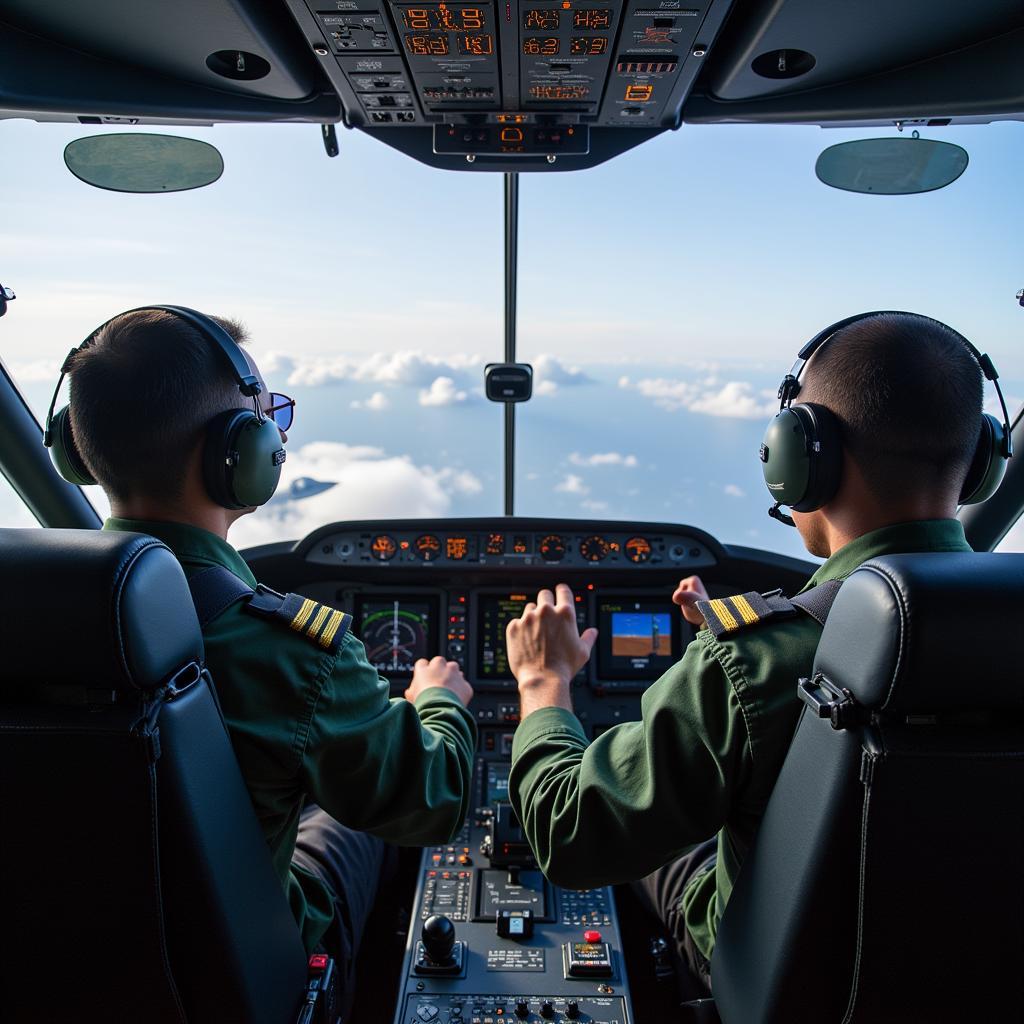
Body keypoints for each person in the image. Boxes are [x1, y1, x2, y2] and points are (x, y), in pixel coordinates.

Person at [504, 311, 996, 999]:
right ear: (979, 462)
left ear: (802, 456)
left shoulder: (754, 659)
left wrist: (543, 683)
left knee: (668, 846)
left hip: (791, 990)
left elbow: (570, 835)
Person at [60, 307, 476, 1008]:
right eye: (268, 418)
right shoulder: (289, 653)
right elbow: (431, 802)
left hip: (51, 972)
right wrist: (437, 700)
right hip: (239, 977)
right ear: (239, 450)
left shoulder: (27, 617)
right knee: (348, 826)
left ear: (74, 450)